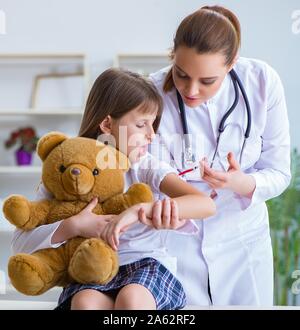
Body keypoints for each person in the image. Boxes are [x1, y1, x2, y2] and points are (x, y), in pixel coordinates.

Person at [11, 68, 216, 310]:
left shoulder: (145, 166)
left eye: (153, 124)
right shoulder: (66, 172)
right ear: (107, 124)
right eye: (142, 124)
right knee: (84, 302)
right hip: (91, 271)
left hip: (145, 265)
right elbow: (19, 245)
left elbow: (205, 204)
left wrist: (142, 208)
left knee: (132, 301)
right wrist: (74, 225)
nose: (151, 135)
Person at [147, 5, 291, 306]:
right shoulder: (152, 92)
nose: (191, 90)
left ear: (232, 63)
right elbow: (144, 170)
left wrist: (242, 182)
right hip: (177, 241)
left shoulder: (262, 82)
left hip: (242, 241)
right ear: (173, 55)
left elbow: (279, 173)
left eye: (207, 81)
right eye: (181, 74)